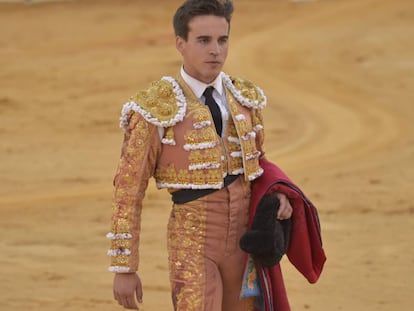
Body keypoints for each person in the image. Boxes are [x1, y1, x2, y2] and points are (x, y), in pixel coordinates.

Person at [107, 0, 295, 310]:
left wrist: (280, 196)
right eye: (203, 40)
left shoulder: (243, 97)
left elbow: (259, 163)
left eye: (222, 40)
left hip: (243, 240)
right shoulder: (154, 108)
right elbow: (128, 188)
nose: (215, 51)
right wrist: (124, 267)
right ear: (180, 44)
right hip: (192, 242)